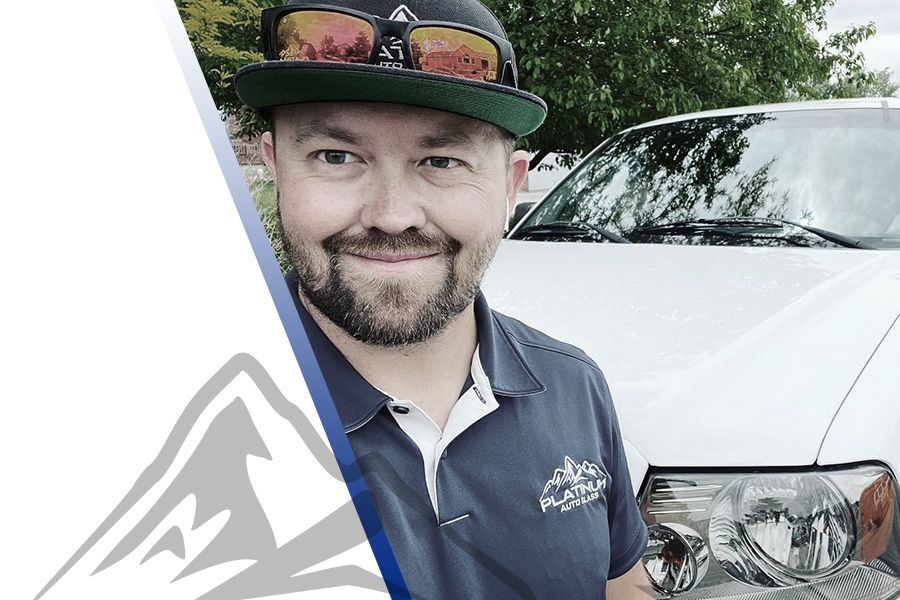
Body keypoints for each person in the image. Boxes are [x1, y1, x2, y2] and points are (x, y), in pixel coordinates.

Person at [235, 1, 653, 597]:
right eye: (336, 156)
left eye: (442, 160)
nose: (393, 215)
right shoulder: (189, 414)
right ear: (275, 167)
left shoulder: (573, 386)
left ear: (511, 188)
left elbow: (623, 583)